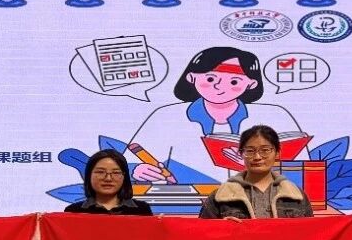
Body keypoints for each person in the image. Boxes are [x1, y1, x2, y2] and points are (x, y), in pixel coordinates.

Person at [129, 47, 308, 185]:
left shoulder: (275, 114)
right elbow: (129, 161)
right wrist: (136, 170)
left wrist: (256, 163)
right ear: (192, 77)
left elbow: (304, 170)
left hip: (260, 202)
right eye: (210, 79)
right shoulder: (166, 115)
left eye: (234, 81)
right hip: (189, 203)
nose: (219, 87)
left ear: (251, 84)